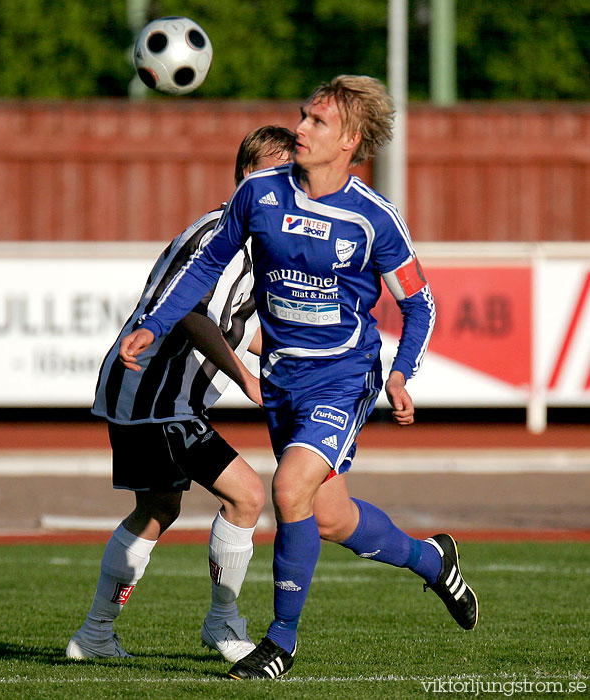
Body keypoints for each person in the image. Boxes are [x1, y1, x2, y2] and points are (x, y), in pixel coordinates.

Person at [120, 75, 479, 680]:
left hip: (343, 376)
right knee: (330, 517)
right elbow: (209, 263)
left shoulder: (374, 219)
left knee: (288, 491)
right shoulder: (259, 193)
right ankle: (431, 559)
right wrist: (154, 324)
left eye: (316, 122)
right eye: (302, 116)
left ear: (352, 141)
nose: (300, 130)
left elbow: (420, 304)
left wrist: (400, 374)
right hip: (283, 379)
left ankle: (278, 643)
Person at [65, 125, 296, 663]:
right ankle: (223, 624)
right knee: (247, 496)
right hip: (154, 393)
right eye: (270, 174)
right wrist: (243, 377)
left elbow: (237, 321)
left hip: (154, 395)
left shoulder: (263, 242)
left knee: (156, 509)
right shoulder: (220, 232)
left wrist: (295, 360)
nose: (280, 187)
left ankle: (95, 634)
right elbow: (193, 314)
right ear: (244, 175)